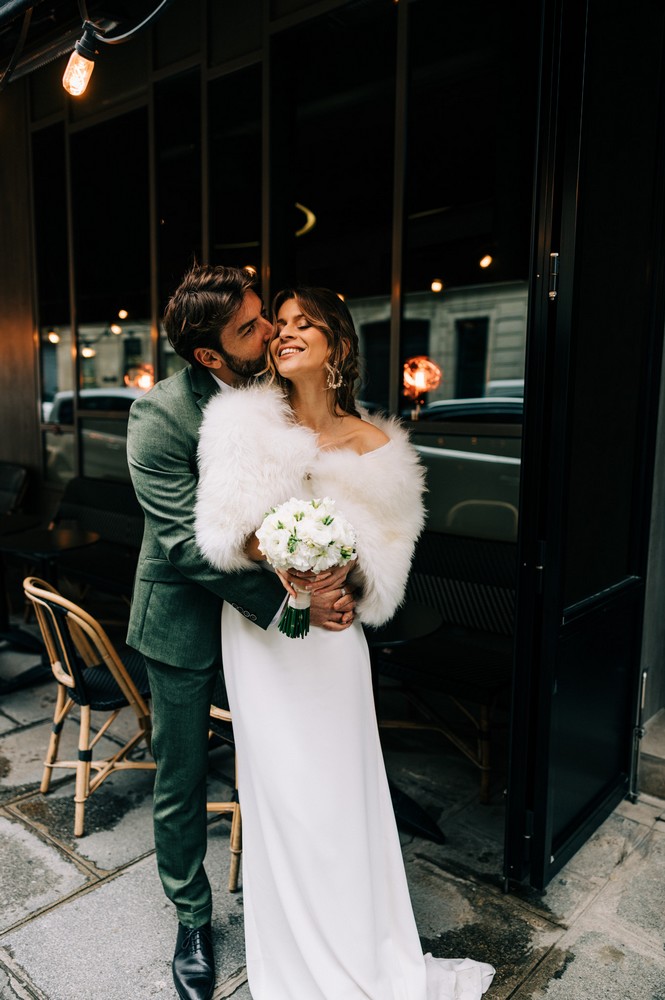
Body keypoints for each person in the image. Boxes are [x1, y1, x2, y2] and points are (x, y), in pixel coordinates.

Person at [194, 286, 496, 1000]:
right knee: (287, 797)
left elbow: (389, 562)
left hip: (332, 643)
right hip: (265, 636)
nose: (286, 333)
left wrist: (348, 583)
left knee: (341, 795)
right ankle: (299, 962)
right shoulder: (240, 422)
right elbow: (219, 533)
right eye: (281, 325)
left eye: (305, 324)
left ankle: (365, 951)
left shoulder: (382, 448)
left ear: (337, 345)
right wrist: (274, 554)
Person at [126, 266, 356, 1000]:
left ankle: (308, 905)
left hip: (274, 622)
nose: (271, 332)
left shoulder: (276, 392)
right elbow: (186, 548)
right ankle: (192, 916)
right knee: (182, 774)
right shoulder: (159, 417)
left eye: (265, 316)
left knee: (295, 752)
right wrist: (289, 599)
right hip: (189, 616)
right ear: (210, 358)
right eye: (252, 328)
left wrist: (329, 568)